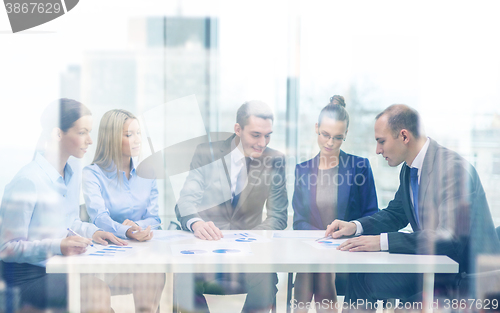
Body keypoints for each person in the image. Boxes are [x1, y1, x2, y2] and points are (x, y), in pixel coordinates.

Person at [325, 104, 500, 309]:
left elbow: (449, 237)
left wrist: (381, 242)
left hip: (464, 278)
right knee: (362, 278)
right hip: (435, 267)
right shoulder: (409, 169)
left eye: (381, 141)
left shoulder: (452, 169)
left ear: (404, 136)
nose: (378, 150)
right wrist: (355, 226)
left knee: (404, 309)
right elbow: (395, 214)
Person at [0, 98, 126, 312]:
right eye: (82, 132)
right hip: (26, 279)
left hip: (58, 267)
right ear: (58, 134)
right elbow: (6, 248)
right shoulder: (28, 181)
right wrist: (57, 245)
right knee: (95, 291)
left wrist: (94, 232)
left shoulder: (71, 172)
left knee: (102, 294)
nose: (90, 141)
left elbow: (70, 221)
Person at [174, 100, 288, 313]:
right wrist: (197, 223)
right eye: (256, 135)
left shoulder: (275, 160)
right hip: (207, 250)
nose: (262, 143)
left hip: (251, 256)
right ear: (238, 129)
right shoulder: (207, 153)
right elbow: (186, 201)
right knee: (184, 277)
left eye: (268, 135)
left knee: (266, 277)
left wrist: (248, 238)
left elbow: (278, 216)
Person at [292, 96, 378, 312]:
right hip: (315, 248)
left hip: (348, 249)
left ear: (346, 135)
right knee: (316, 267)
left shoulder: (360, 167)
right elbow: (299, 220)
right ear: (316, 129)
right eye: (325, 135)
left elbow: (372, 214)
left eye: (338, 138)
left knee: (316, 269)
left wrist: (341, 237)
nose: (330, 143)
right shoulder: (303, 170)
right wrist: (321, 242)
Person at [82, 109, 165, 312]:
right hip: (105, 259)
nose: (137, 140)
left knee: (153, 275)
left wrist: (140, 228)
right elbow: (99, 218)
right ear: (111, 139)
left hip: (141, 258)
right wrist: (126, 231)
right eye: (129, 134)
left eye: (138, 133)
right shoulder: (92, 174)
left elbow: (154, 218)